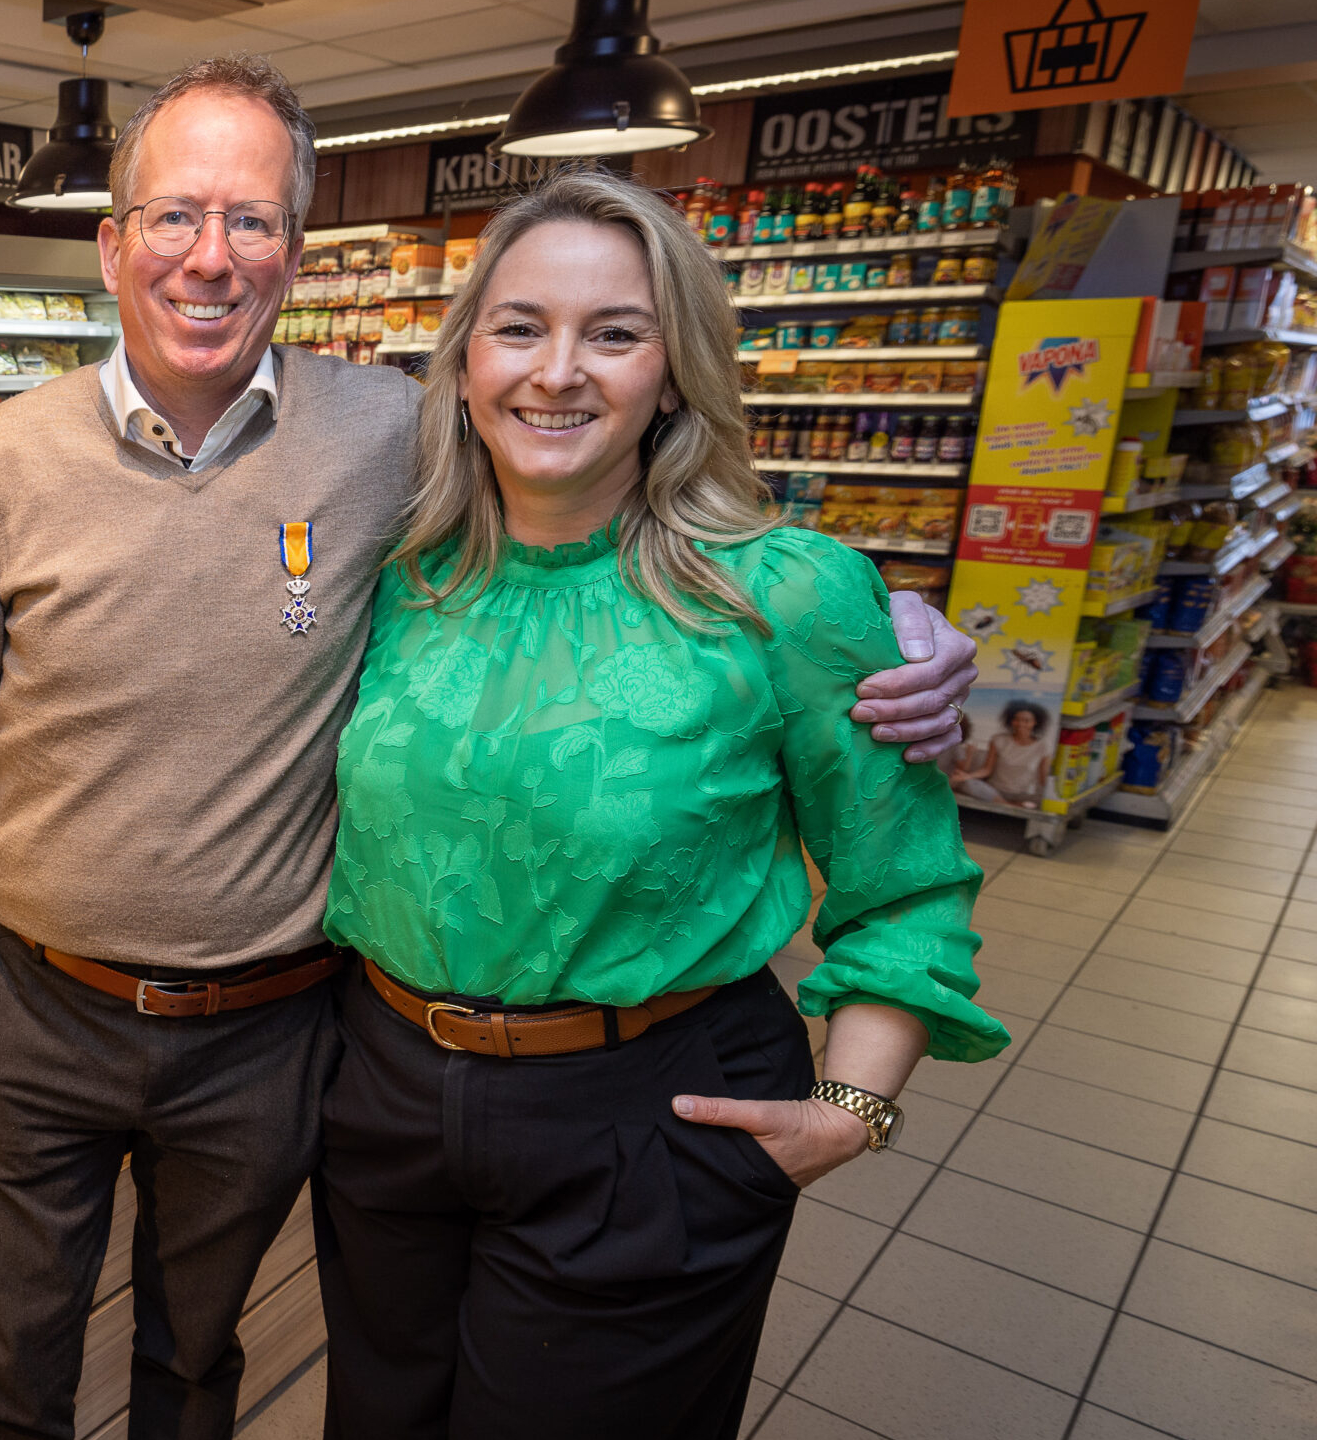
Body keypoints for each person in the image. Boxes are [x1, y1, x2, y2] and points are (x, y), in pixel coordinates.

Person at [0, 59, 980, 1440]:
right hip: (213, 1053)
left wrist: (910, 631)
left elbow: (882, 838)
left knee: (203, 1358)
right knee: (125, 1384)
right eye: (173, 218)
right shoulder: (55, 468)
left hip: (412, 1061)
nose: (554, 372)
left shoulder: (400, 442)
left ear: (297, 247)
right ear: (112, 246)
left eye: (253, 221)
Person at [314, 168, 1011, 1440]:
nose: (557, 371)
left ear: (676, 370)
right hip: (387, 1100)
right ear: (466, 359)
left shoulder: (787, 595)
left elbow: (904, 888)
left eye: (615, 333)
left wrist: (848, 1113)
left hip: (648, 1113)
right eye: (519, 327)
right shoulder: (400, 574)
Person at [983, 700, 1053, 807]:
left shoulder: (1043, 746)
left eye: (1026, 720)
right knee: (968, 784)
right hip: (996, 791)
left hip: (1025, 794)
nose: (1020, 724)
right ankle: (1010, 805)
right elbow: (987, 770)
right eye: (1017, 720)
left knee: (1042, 800)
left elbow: (1043, 778)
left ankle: (1009, 804)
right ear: (1011, 721)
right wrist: (966, 776)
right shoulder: (999, 740)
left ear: (1035, 722)